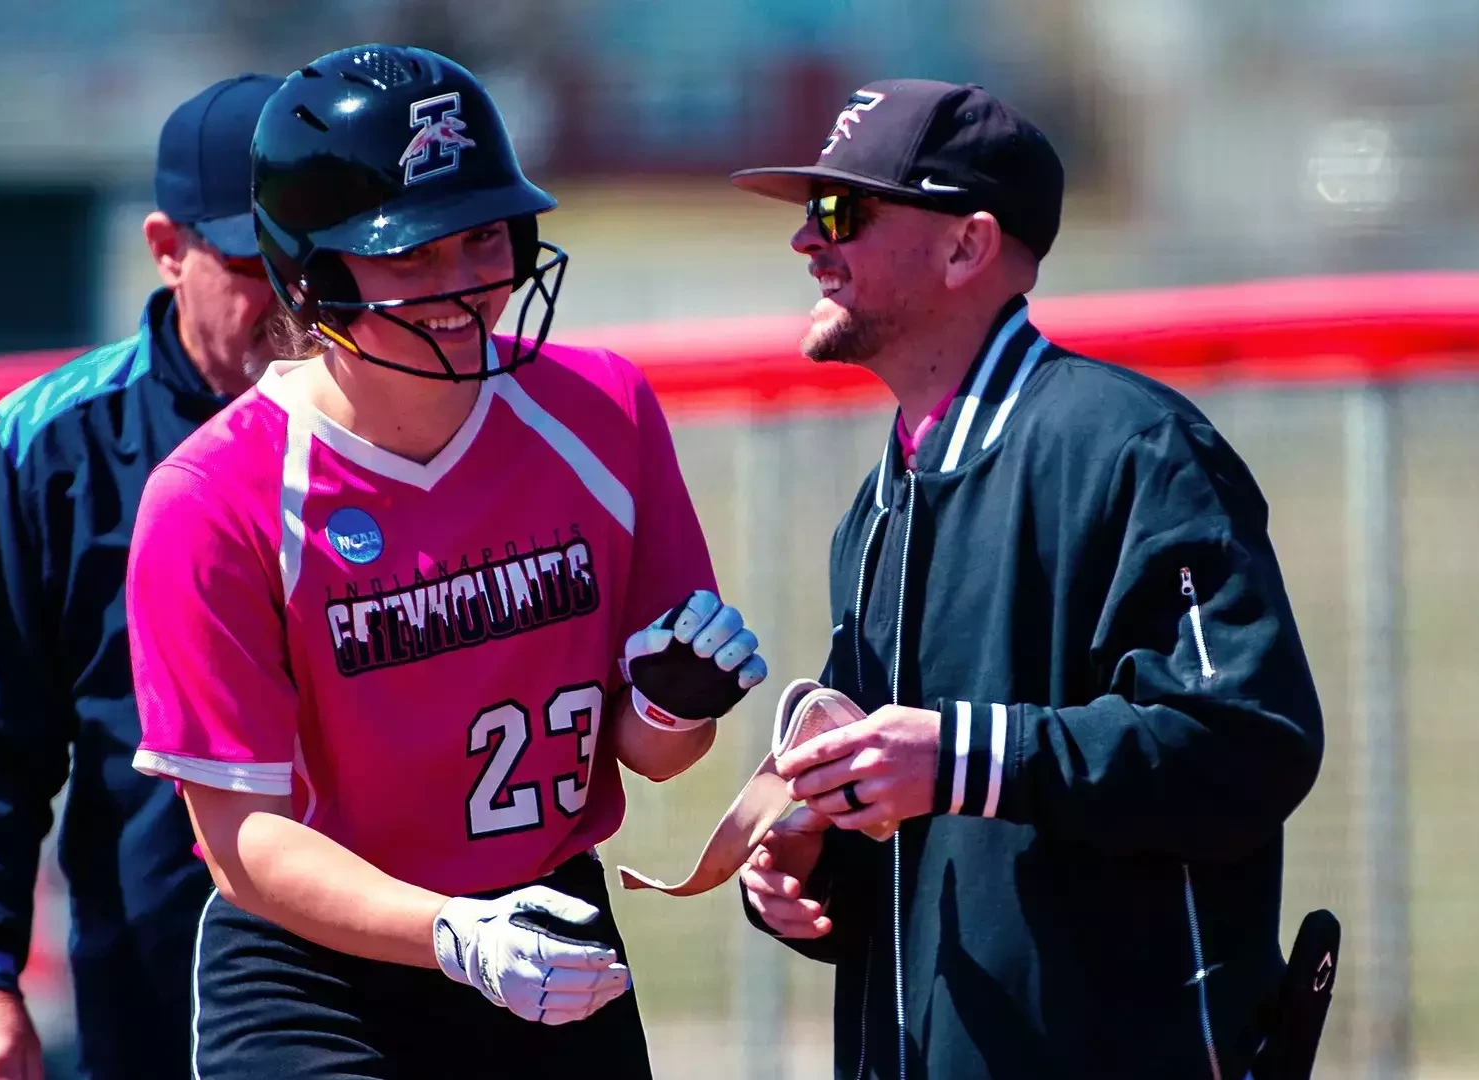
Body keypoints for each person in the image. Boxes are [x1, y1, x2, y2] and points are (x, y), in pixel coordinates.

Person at [125, 45, 767, 1080]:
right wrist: (453, 936)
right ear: (313, 272)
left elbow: (648, 756)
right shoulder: (215, 498)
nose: (463, 285)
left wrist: (674, 706)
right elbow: (242, 841)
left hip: (550, 927)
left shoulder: (599, 411)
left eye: (483, 240)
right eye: (409, 255)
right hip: (320, 971)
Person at [729, 79, 1326, 1079]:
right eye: (808, 212)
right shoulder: (875, 508)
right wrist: (811, 878)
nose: (807, 242)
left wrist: (963, 758)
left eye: (843, 210)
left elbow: (1248, 743)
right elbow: (923, 843)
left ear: (967, 247)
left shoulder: (1136, 449)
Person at [0, 73, 301, 1080]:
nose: (293, 298)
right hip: (164, 968)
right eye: (256, 262)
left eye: (316, 256)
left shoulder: (392, 415)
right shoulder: (59, 439)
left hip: (390, 954)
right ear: (169, 250)